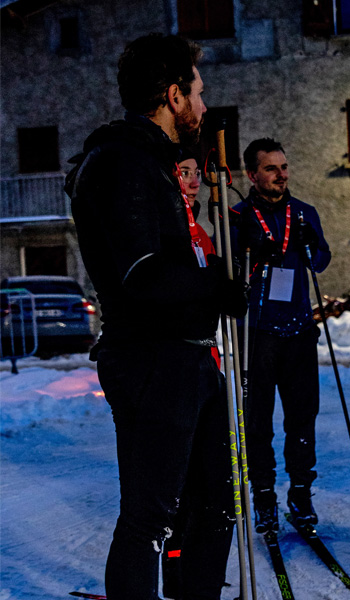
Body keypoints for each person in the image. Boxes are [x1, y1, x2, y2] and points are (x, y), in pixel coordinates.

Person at [65, 34, 249, 600]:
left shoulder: (155, 160)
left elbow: (174, 260)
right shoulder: (120, 162)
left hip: (191, 356)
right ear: (172, 96)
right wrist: (213, 284)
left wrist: (218, 278)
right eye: (197, 91)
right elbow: (141, 274)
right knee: (151, 519)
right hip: (151, 361)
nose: (203, 102)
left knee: (218, 503)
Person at [231, 138, 331, 534]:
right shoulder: (238, 216)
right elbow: (229, 272)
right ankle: (264, 496)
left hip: (298, 329)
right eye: (271, 169)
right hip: (257, 331)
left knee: (302, 417)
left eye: (284, 167)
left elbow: (321, 261)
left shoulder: (303, 213)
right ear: (253, 175)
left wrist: (311, 247)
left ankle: (301, 492)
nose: (281, 174)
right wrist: (247, 253)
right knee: (258, 421)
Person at [161, 149, 222, 600]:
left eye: (196, 173)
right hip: (174, 367)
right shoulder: (166, 226)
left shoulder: (206, 228)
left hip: (209, 363)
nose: (193, 180)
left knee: (213, 487)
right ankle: (176, 580)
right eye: (183, 173)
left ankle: (203, 585)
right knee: (176, 494)